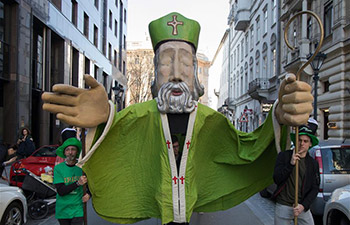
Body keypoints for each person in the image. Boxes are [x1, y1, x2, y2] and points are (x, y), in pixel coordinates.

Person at [42, 12, 314, 224]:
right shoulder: (139, 115)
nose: (175, 73)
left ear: (195, 72)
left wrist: (279, 114)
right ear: (154, 74)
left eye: (185, 62)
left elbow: (247, 147)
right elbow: (119, 142)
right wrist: (104, 120)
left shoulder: (210, 119)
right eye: (165, 62)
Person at [273, 118, 320, 225]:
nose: (302, 143)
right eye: (299, 140)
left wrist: (303, 206)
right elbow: (277, 179)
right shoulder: (284, 156)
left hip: (301, 206)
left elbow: (315, 187)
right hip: (283, 205)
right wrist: (290, 164)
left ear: (310, 144)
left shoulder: (313, 164)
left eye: (305, 141)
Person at [53, 137, 90, 225]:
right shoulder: (58, 168)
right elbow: (61, 191)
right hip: (63, 210)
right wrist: (78, 183)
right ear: (64, 152)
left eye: (73, 149)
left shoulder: (82, 168)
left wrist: (89, 194)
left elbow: (91, 185)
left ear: (77, 152)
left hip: (77, 209)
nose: (70, 152)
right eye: (67, 150)